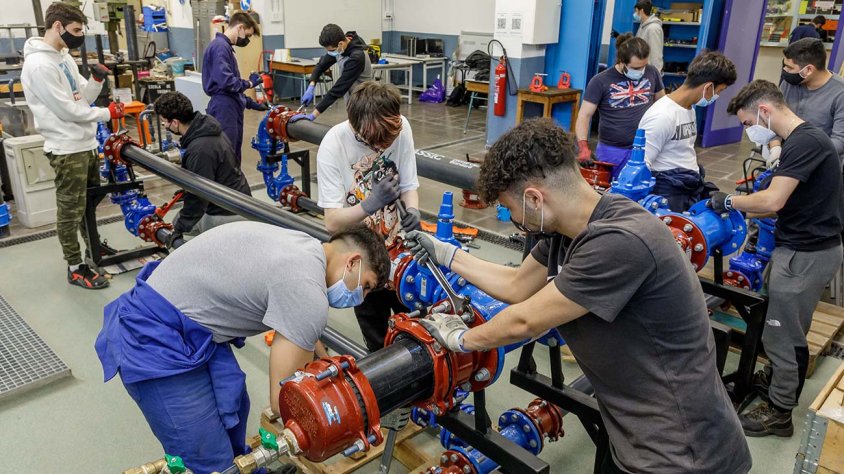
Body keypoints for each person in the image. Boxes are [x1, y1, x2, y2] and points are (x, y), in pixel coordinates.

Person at [404, 118, 751, 474]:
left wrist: (460, 339)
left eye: (511, 209)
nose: (513, 221)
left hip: (684, 454)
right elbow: (516, 286)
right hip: (632, 438)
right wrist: (447, 253)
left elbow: (525, 319)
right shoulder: (568, 230)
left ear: (535, 198)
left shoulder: (620, 240)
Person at [95, 222, 390, 473]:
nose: (361, 298)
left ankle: (247, 464)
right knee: (209, 455)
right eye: (365, 285)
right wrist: (343, 426)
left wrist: (327, 361)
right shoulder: (306, 291)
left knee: (233, 408)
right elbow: (284, 402)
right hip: (153, 339)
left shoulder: (306, 249)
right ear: (352, 262)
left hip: (189, 320)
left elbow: (302, 326)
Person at [715, 80, 843, 437]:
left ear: (765, 112)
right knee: (785, 326)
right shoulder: (802, 141)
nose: (748, 131)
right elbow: (781, 205)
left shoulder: (805, 142)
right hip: (800, 248)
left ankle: (780, 411)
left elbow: (772, 202)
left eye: (746, 123)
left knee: (783, 335)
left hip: (806, 254)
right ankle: (776, 380)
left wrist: (728, 202)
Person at [21, 2, 124, 289]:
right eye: (76, 30)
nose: (79, 36)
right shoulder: (39, 65)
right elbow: (67, 111)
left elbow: (81, 98)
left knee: (88, 202)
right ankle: (75, 265)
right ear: (57, 26)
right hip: (67, 149)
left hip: (85, 142)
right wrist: (108, 114)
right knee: (70, 209)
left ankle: (93, 247)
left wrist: (95, 80)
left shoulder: (63, 56)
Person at [316, 81, 420, 352]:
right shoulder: (333, 145)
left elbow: (409, 183)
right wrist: (371, 203)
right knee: (377, 341)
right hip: (363, 260)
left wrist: (412, 210)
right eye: (375, 141)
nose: (382, 147)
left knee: (417, 328)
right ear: (355, 126)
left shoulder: (401, 127)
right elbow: (332, 222)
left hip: (401, 253)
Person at [636, 52, 736, 211]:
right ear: (708, 87)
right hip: (668, 195)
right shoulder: (662, 116)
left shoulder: (688, 108)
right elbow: (641, 166)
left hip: (686, 188)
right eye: (719, 91)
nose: (717, 96)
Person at [154, 92, 252, 245]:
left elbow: (198, 198)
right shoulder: (206, 127)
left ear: (174, 122)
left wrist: (177, 232)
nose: (164, 126)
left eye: (164, 122)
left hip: (225, 213)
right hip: (235, 201)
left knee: (179, 239)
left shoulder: (200, 149)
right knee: (177, 221)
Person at [576, 34, 664, 178]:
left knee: (641, 191)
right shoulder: (600, 81)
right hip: (613, 151)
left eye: (644, 66)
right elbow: (584, 115)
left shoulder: (652, 72)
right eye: (636, 68)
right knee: (610, 193)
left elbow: (662, 104)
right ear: (622, 62)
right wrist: (583, 147)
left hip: (646, 149)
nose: (641, 71)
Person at [202, 11, 268, 167]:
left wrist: (252, 104)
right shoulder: (220, 47)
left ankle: (233, 186)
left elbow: (231, 92)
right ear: (240, 27)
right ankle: (228, 189)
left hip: (230, 105)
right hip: (224, 109)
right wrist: (250, 84)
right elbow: (226, 83)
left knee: (234, 152)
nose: (247, 40)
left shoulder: (225, 47)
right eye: (248, 35)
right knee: (228, 154)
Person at [774, 38, 844, 164]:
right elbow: (776, 119)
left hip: (820, 164)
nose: (785, 71)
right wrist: (775, 147)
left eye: (790, 67)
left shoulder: (840, 93)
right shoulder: (789, 84)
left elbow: (840, 141)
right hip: (786, 158)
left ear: (809, 70)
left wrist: (801, 153)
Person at [292, 24, 373, 122]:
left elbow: (338, 89)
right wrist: (311, 86)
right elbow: (321, 65)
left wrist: (313, 115)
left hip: (365, 104)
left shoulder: (357, 57)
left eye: (331, 50)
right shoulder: (339, 47)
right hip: (352, 100)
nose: (330, 53)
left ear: (340, 44)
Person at [633, 0, 663, 73]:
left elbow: (655, 54)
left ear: (641, 11)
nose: (635, 14)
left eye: (636, 11)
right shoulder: (643, 26)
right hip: (641, 69)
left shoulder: (653, 28)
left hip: (648, 72)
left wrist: (655, 74)